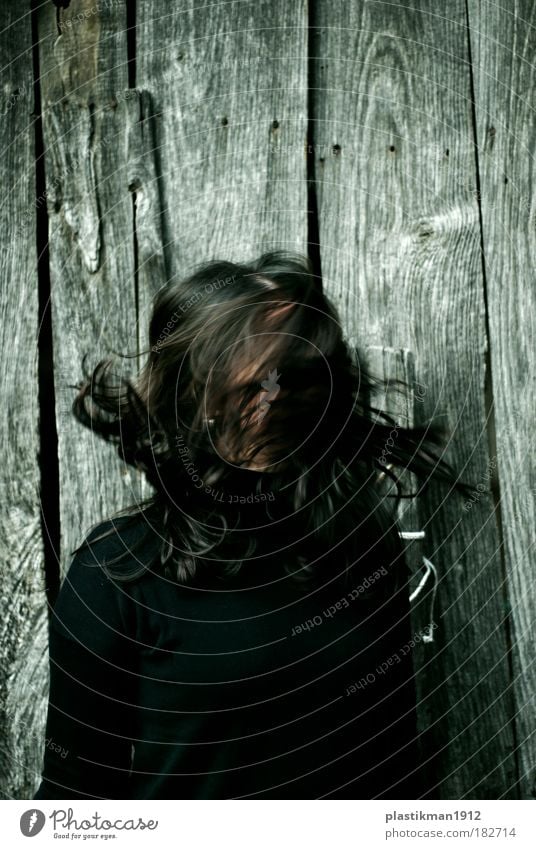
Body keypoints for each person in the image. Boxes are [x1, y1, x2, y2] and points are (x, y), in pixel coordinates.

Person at [34, 251, 472, 800]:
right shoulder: (118, 572)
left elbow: (395, 773)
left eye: (302, 373)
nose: (280, 396)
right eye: (257, 378)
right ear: (196, 394)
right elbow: (71, 803)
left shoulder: (360, 544)